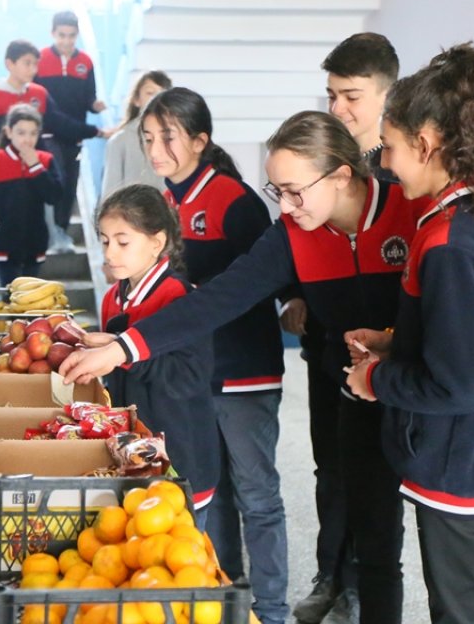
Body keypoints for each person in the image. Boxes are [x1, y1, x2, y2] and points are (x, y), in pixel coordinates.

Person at [61, 110, 419, 624]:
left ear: (341, 175)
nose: (287, 206)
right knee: (367, 521)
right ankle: (336, 589)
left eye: (294, 190)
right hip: (351, 390)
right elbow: (219, 298)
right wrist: (124, 346)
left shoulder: (408, 209)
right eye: (277, 192)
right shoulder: (294, 230)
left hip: (414, 390)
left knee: (435, 545)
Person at [340, 43, 474, 624]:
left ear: (426, 144)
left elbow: (459, 384)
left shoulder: (449, 243)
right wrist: (396, 340)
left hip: (460, 455)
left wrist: (376, 377)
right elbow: (472, 334)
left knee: (458, 603)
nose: (387, 164)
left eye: (393, 149)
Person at [135, 87, 288, 624]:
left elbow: (258, 282)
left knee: (257, 497)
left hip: (244, 373)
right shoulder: (166, 200)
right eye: (149, 137)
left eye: (168, 137)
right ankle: (226, 604)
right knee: (212, 493)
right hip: (196, 376)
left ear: (200, 140)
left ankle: (271, 611)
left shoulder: (233, 199)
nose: (156, 148)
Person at [289, 32, 401, 624]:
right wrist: (297, 296)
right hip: (326, 351)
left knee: (377, 481)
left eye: (351, 96)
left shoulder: (407, 178)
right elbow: (288, 249)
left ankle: (363, 581)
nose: (338, 110)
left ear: (388, 96)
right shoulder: (319, 169)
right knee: (330, 470)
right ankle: (330, 575)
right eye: (331, 95)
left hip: (391, 363)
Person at [91, 184, 221, 523]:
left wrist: (123, 350)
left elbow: (188, 377)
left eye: (122, 242)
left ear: (156, 242)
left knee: (182, 559)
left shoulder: (178, 296)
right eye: (104, 241)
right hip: (134, 452)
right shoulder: (112, 298)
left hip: (181, 451)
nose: (110, 253)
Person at [35, 11, 108, 255]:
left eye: (72, 36)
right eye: (61, 35)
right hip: (47, 133)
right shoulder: (40, 59)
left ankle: (61, 232)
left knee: (69, 184)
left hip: (74, 134)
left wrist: (95, 105)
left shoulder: (85, 62)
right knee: (57, 178)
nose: (66, 41)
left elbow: (89, 97)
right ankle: (50, 232)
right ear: (52, 33)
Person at [0, 104, 62, 287]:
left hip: (35, 243)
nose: (27, 139)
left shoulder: (46, 160)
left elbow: (54, 196)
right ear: (8, 132)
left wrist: (36, 167)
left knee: (31, 299)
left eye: (33, 133)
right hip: (4, 244)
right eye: (21, 133)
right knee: (8, 297)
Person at [0, 39, 100, 164]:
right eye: (27, 63)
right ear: (9, 64)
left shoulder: (39, 93)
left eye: (35, 64)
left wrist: (95, 131)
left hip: (33, 170)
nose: (33, 69)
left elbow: (61, 123)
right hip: (1, 171)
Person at [102, 70, 172, 196]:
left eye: (162, 94)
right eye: (149, 93)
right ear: (136, 99)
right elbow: (110, 193)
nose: (155, 99)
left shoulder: (177, 138)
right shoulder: (120, 140)